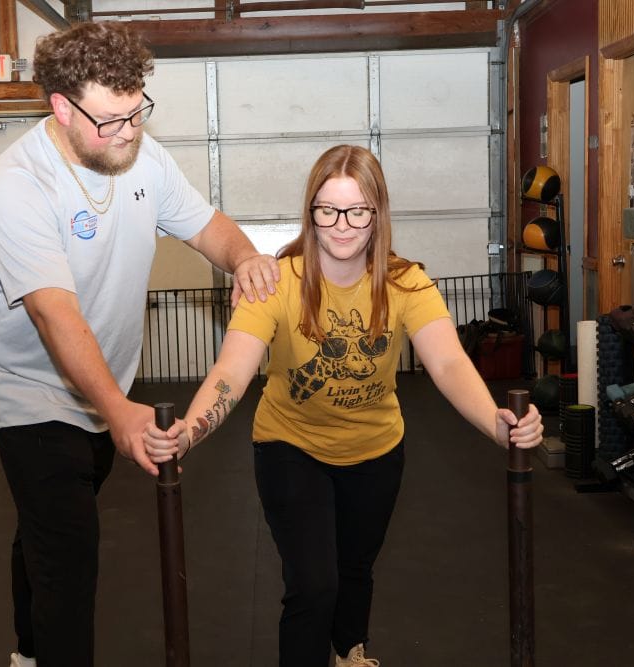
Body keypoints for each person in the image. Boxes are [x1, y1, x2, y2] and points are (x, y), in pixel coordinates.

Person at [142, 144, 544, 667]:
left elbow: (447, 365)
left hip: (376, 450)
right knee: (312, 584)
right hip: (292, 446)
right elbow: (231, 372)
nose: (342, 225)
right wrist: (189, 432)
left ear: (378, 214)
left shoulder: (406, 284)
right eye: (328, 210)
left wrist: (496, 423)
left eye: (357, 210)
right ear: (310, 212)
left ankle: (348, 651)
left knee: (355, 570)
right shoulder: (276, 283)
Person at [0, 21, 279, 667]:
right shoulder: (17, 185)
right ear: (61, 106)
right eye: (111, 119)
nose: (129, 131)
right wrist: (118, 410)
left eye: (138, 112)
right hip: (27, 383)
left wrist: (244, 255)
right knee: (70, 549)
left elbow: (205, 224)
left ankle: (26, 652)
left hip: (105, 376)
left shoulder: (142, 156)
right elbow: (56, 316)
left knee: (47, 526)